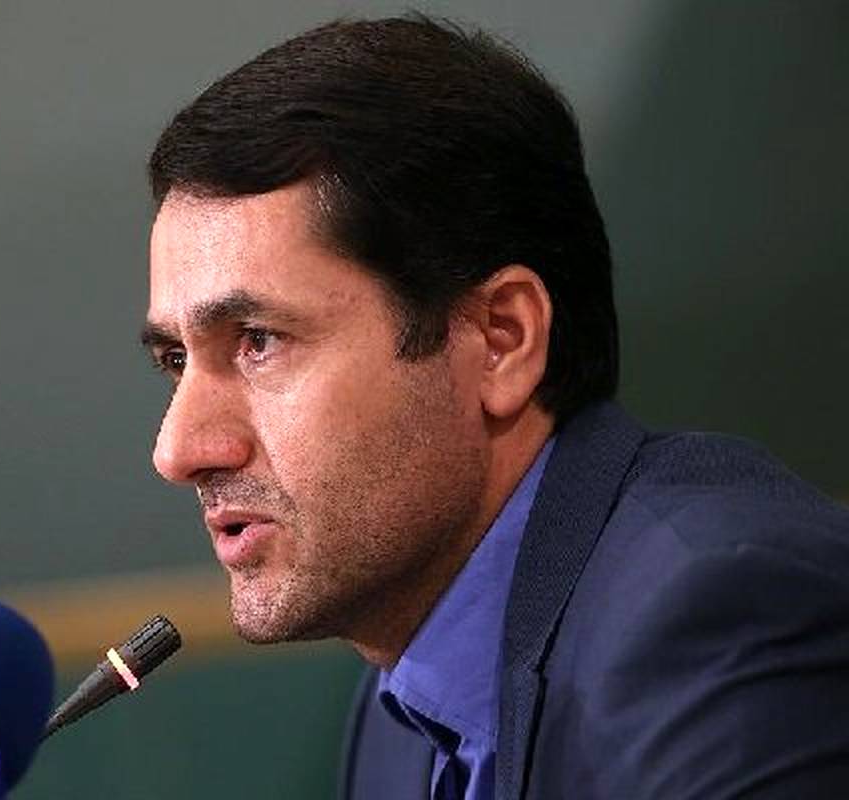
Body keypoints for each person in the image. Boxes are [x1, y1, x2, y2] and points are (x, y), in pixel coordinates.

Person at [139, 15, 849, 800]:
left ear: (502, 339)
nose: (178, 450)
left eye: (259, 341)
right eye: (176, 360)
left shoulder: (720, 617)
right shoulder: (397, 710)